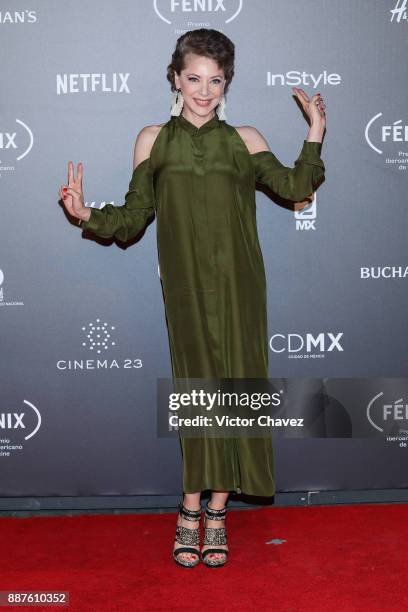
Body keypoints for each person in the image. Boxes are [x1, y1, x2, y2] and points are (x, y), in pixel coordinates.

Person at [59, 28, 326, 569]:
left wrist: (316, 130)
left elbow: (297, 186)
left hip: (241, 286)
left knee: (238, 390)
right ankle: (189, 507)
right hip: (183, 287)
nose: (204, 91)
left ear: (226, 84)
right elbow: (134, 218)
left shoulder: (246, 139)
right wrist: (87, 214)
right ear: (175, 79)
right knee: (198, 391)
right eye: (194, 78)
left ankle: (219, 512)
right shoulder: (152, 139)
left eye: (215, 80)